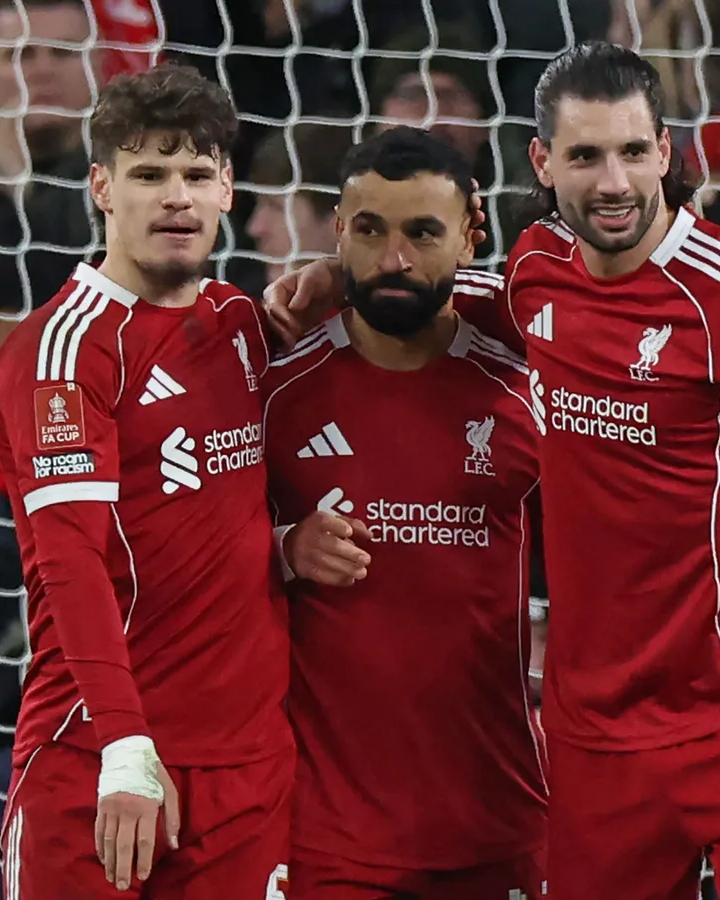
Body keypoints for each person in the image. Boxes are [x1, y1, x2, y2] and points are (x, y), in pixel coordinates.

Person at [263, 43, 720, 900]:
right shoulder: (539, 270)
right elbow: (481, 294)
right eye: (586, 156)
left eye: (632, 151)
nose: (614, 182)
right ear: (544, 163)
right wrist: (353, 276)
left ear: (666, 151)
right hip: (597, 743)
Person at [0, 63, 297, 898]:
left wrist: (292, 546)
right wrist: (124, 745)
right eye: (149, 174)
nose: (176, 198)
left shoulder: (241, 325)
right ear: (101, 187)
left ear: (229, 187)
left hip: (245, 773)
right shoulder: (64, 350)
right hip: (98, 757)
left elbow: (223, 506)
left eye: (197, 174)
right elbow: (69, 561)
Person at [264, 126, 547, 900]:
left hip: (500, 821)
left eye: (422, 232)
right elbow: (184, 551)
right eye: (369, 231)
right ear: (337, 234)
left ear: (470, 235)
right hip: (331, 840)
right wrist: (284, 546)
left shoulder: (525, 396)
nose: (393, 260)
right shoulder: (274, 392)